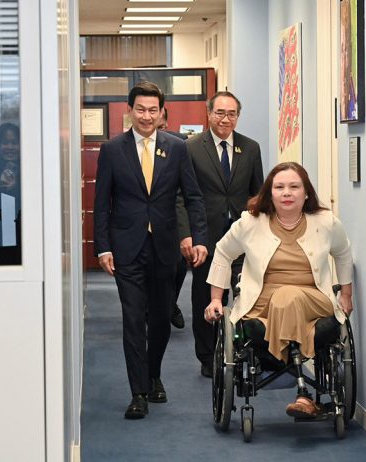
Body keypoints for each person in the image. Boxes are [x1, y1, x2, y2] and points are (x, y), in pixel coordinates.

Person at [93, 81, 208, 420]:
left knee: (160, 319)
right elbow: (102, 204)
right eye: (140, 109)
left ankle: (153, 373)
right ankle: (138, 393)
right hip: (126, 248)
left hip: (164, 247)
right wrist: (103, 247)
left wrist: (199, 237)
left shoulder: (177, 148)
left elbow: (193, 197)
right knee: (133, 319)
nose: (146, 116)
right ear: (130, 111)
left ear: (161, 113)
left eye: (152, 110)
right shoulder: (112, 150)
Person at [204, 162, 353, 418]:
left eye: (294, 187)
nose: (287, 193)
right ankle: (298, 382)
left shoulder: (325, 222)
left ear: (306, 192)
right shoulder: (250, 222)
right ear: (269, 192)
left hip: (314, 301)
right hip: (260, 304)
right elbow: (223, 252)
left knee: (287, 296)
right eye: (279, 187)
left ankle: (289, 377)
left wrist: (346, 295)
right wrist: (216, 299)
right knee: (282, 300)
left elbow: (343, 253)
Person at [177, 91, 264, 378]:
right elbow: (181, 196)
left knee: (246, 295)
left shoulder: (250, 148)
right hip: (206, 237)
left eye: (232, 114)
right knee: (206, 296)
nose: (226, 119)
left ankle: (245, 352)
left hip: (243, 236)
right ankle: (208, 357)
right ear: (209, 113)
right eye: (220, 113)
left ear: (238, 116)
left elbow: (257, 194)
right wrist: (188, 235)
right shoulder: (190, 147)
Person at [157, 106, 188, 329]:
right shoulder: (130, 146)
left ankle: (170, 303)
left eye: (159, 126)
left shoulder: (179, 144)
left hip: (174, 217)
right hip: (144, 222)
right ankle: (151, 311)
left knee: (178, 267)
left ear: (166, 124)